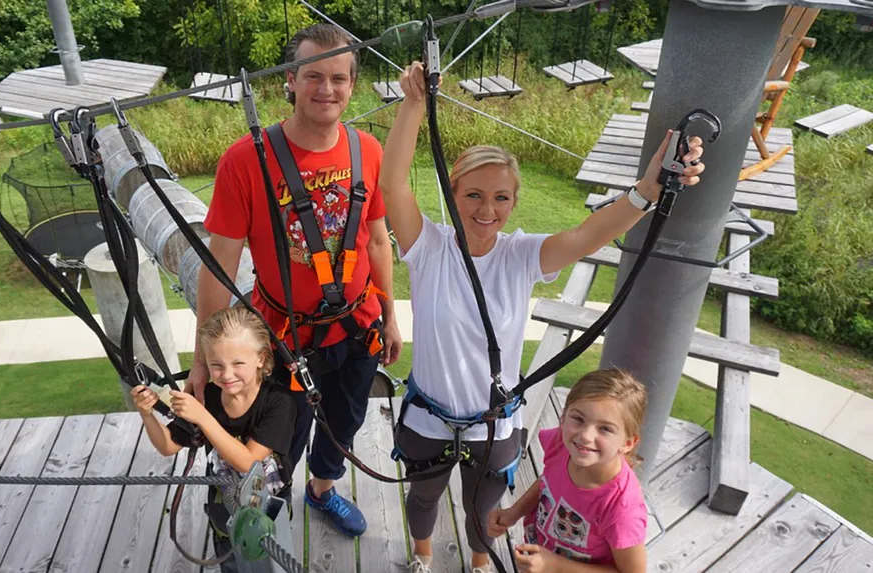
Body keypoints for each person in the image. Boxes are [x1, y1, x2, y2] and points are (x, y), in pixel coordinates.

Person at [377, 61, 705, 573]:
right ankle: (422, 556)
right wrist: (414, 104)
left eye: (501, 198)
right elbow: (391, 183)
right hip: (428, 417)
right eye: (474, 195)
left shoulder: (521, 256)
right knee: (422, 500)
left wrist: (649, 190)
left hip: (494, 424)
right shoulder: (429, 247)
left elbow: (586, 235)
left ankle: (481, 565)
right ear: (453, 193)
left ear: (514, 202)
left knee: (484, 510)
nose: (488, 210)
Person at [187, 23, 403, 538]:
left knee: (343, 424)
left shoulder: (366, 151)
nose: (326, 90)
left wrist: (391, 314)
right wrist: (201, 359)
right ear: (290, 80)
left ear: (352, 84)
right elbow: (218, 269)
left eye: (338, 78)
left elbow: (377, 241)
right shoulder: (246, 161)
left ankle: (324, 489)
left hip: (357, 329)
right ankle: (253, 527)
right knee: (275, 443)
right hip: (286, 339)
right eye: (313, 76)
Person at [132, 305, 297, 572]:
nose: (227, 374)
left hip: (269, 501)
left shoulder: (279, 403)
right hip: (224, 503)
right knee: (230, 554)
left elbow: (250, 462)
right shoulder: (206, 397)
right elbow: (167, 445)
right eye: (216, 365)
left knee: (271, 558)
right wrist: (147, 414)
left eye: (238, 363)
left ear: (261, 358)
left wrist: (203, 417)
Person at [487, 369, 649, 572]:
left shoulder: (622, 508)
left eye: (605, 429)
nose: (585, 436)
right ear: (563, 417)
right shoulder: (563, 446)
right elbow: (548, 481)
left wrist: (555, 565)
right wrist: (515, 511)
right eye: (578, 419)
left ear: (628, 443)